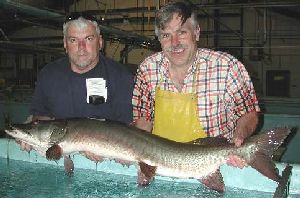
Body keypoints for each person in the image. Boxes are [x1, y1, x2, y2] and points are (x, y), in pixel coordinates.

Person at [132, 1, 260, 169]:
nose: (174, 42)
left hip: (215, 164)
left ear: (197, 33)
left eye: (182, 32)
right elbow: (143, 119)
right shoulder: (148, 68)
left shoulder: (226, 67)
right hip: (160, 164)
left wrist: (239, 140)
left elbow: (249, 114)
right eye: (166, 35)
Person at [18, 13, 134, 157]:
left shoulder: (121, 77)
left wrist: (106, 149)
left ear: (100, 42)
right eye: (74, 40)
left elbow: (128, 128)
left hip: (106, 157)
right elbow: (40, 116)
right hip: (60, 155)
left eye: (88, 39)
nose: (81, 47)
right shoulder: (48, 74)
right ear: (65, 44)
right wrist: (31, 134)